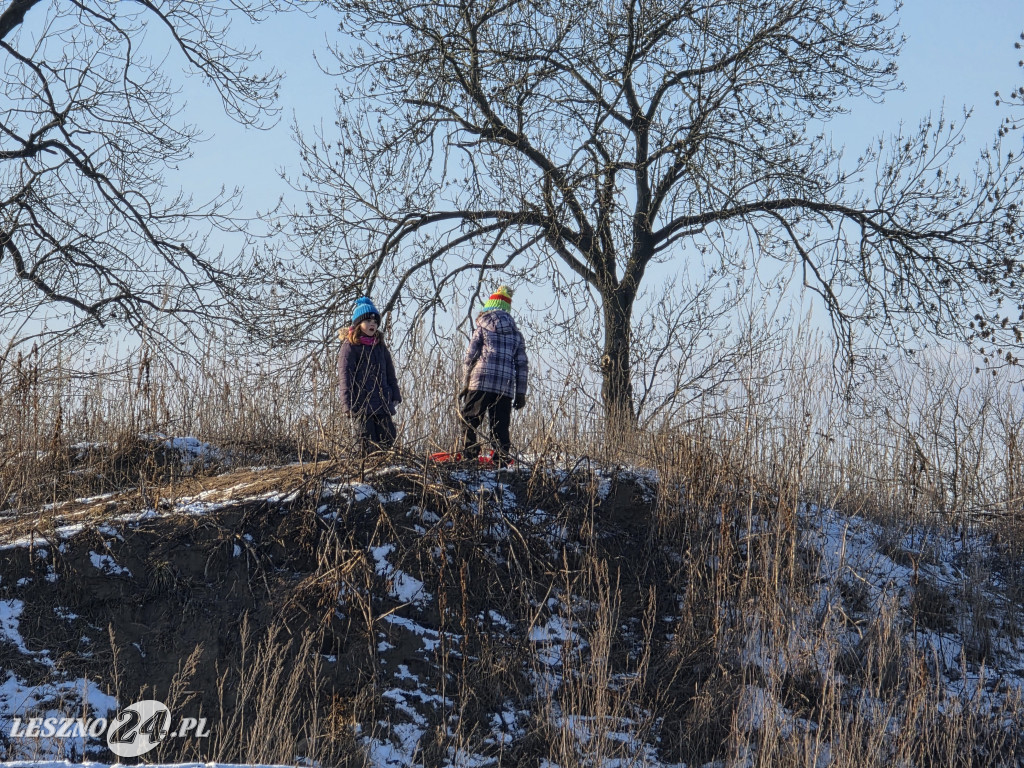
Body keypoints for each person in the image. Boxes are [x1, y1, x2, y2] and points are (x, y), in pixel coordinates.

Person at [460, 284, 529, 466]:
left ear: (488, 309)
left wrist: (466, 384)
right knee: (500, 428)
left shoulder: (482, 328)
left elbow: (470, 357)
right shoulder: (516, 334)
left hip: (480, 382)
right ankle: (500, 462)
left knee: (469, 420)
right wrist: (520, 392)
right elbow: (522, 365)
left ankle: (470, 456)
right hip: (504, 388)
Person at [338, 297, 401, 454]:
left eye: (375, 321)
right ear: (359, 324)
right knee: (366, 442)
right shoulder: (350, 347)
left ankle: (385, 472)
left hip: (382, 403)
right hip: (361, 404)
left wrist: (395, 392)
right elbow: (345, 376)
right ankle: (366, 475)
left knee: (388, 438)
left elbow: (390, 372)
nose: (372, 324)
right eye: (368, 321)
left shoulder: (380, 347)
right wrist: (348, 403)